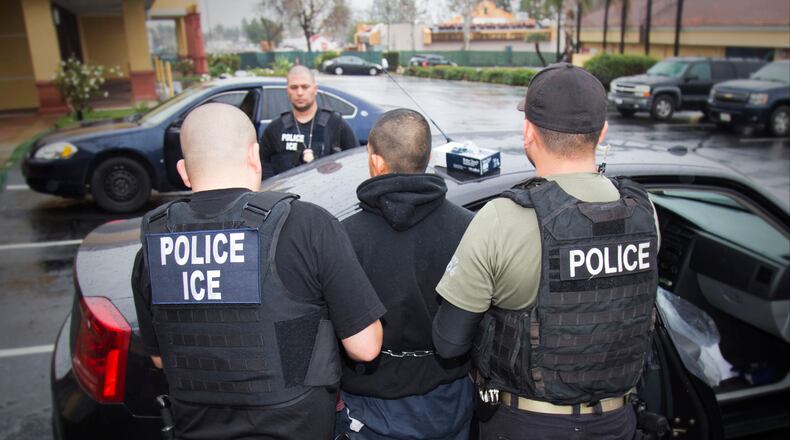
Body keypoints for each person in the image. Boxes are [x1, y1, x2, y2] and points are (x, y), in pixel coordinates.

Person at [432, 63, 661, 440]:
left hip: (527, 425)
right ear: (602, 132)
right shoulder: (644, 212)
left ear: (528, 132)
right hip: (617, 422)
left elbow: (449, 341)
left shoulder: (502, 217)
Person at [131, 103, 385, 440]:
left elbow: (162, 360)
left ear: (183, 171)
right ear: (255, 156)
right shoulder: (306, 226)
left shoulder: (154, 248)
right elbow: (365, 347)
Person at [335, 109, 475, 440]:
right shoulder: (470, 228)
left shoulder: (342, 236)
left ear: (376, 161)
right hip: (450, 401)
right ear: (426, 157)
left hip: (369, 410)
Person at [260, 65, 359, 178]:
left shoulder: (336, 124)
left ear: (315, 89)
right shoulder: (275, 128)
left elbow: (354, 162)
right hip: (287, 193)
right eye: (294, 87)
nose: (300, 92)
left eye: (305, 87)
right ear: (287, 91)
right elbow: (263, 166)